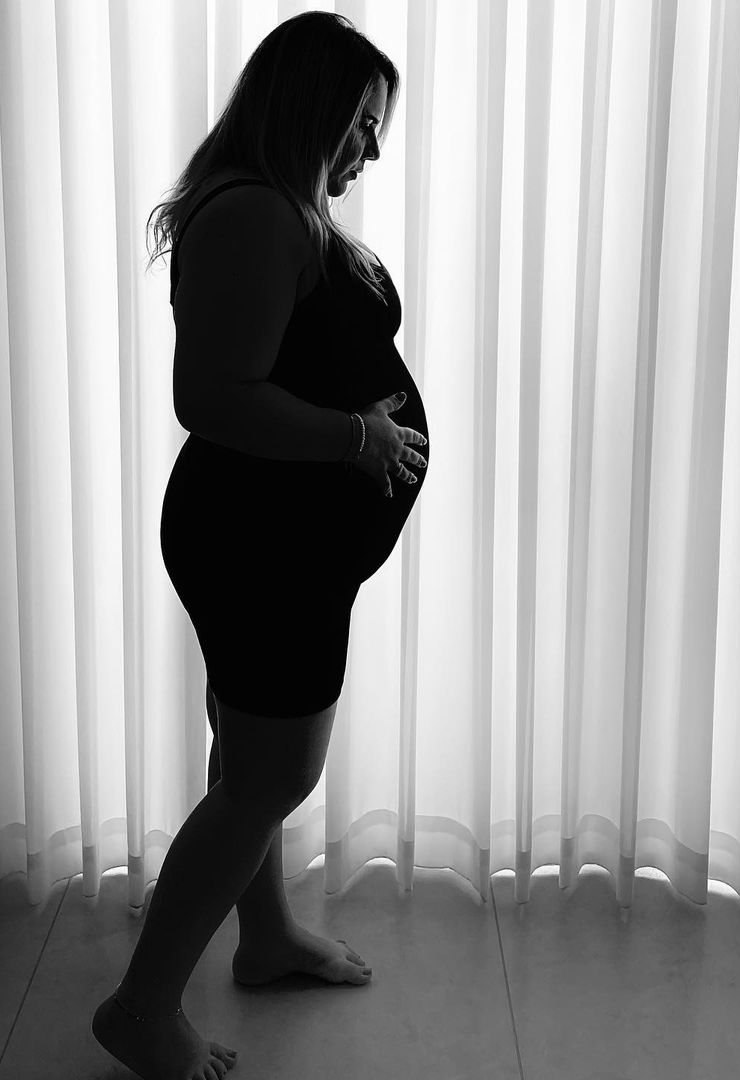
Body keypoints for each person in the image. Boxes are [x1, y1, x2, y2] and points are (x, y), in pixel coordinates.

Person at [92, 12, 429, 1079]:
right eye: (362, 122)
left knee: (250, 759)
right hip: (262, 545)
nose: (373, 148)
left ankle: (268, 937)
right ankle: (142, 1010)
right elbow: (213, 397)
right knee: (271, 775)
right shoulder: (254, 214)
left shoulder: (280, 207)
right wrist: (359, 438)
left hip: (278, 540)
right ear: (309, 104)